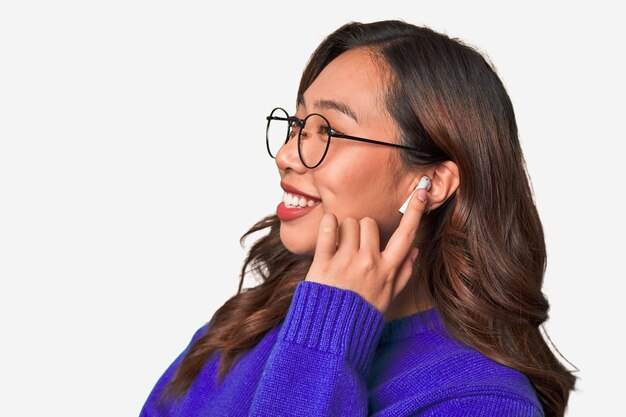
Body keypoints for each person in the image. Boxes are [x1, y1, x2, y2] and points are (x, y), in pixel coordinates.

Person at [139, 20, 576, 417]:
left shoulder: (481, 401)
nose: (287, 155)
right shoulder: (248, 324)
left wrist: (328, 331)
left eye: (327, 131)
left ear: (433, 182)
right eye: (297, 125)